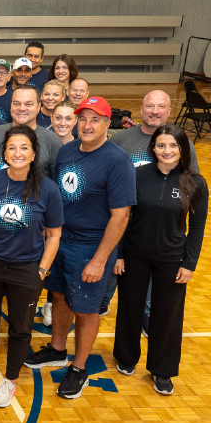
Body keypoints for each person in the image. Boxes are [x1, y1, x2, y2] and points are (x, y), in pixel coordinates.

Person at [24, 97, 136, 400]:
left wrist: (100, 260)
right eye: (82, 118)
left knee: (86, 310)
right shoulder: (68, 150)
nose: (87, 125)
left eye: (95, 119)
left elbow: (121, 215)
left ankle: (79, 367)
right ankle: (57, 350)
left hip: (91, 246)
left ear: (107, 124)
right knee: (59, 296)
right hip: (61, 241)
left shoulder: (117, 161)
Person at [0, 126, 63, 408]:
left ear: (34, 154)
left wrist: (42, 270)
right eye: (11, 148)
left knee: (20, 329)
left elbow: (54, 235)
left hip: (26, 269)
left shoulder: (49, 189)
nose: (17, 153)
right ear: (4, 153)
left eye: (24, 148)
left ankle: (9, 380)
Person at [113, 125, 207, 395]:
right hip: (134, 255)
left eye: (173, 146)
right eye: (161, 145)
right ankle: (126, 357)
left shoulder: (195, 182)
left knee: (167, 316)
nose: (167, 151)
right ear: (152, 148)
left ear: (182, 149)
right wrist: (119, 254)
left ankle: (162, 370)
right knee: (130, 308)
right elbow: (123, 217)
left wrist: (189, 264)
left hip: (172, 260)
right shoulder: (136, 175)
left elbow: (197, 227)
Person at [0, 86, 63, 176]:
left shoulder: (52, 141)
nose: (22, 108)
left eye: (28, 104)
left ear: (38, 107)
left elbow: (57, 183)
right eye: (17, 104)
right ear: (11, 105)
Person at [111, 90, 199, 170]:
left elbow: (193, 182)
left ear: (169, 111)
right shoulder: (118, 140)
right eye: (149, 106)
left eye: (161, 106)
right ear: (142, 110)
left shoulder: (182, 143)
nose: (155, 111)